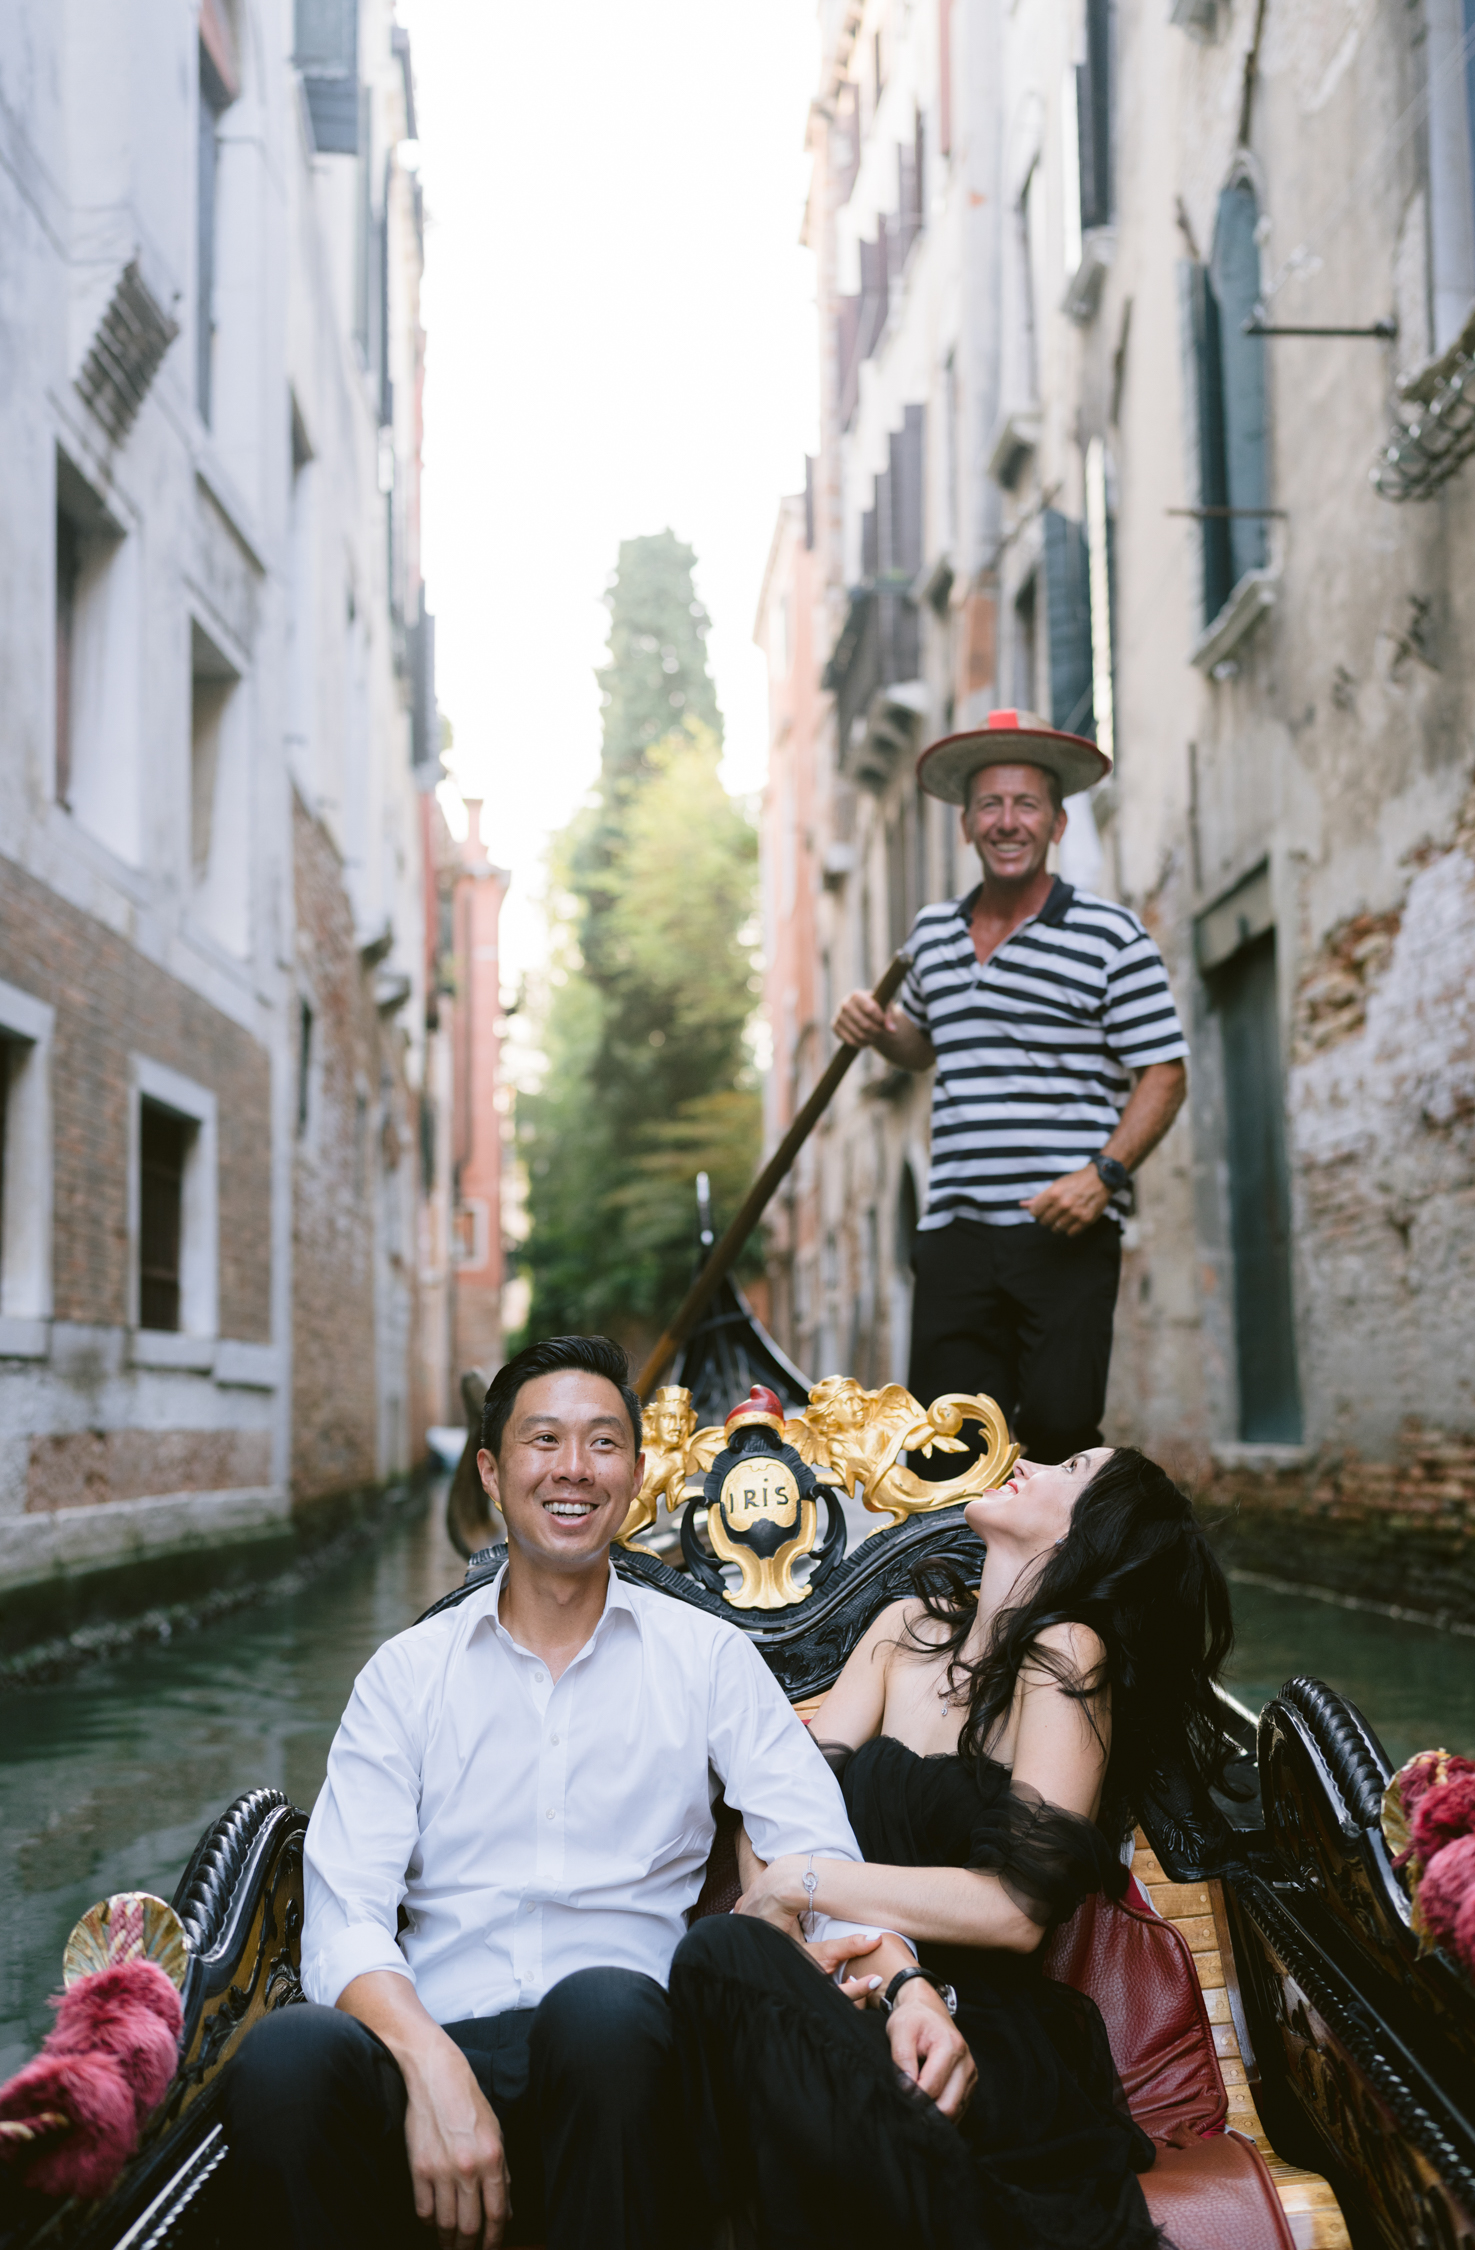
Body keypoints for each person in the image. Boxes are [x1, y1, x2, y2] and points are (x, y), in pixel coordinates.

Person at [221, 1335, 972, 2250]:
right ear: (492, 1474)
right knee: (283, 2058)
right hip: (434, 2031)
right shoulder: (405, 1674)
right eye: (543, 1441)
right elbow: (344, 1919)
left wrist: (907, 1986)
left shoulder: (707, 1658)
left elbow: (818, 1858)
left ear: (637, 1471)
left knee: (601, 2010)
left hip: (631, 2061)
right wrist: (431, 2066)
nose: (572, 1469)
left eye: (603, 1443)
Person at [671, 1443, 1235, 2250]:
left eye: (1070, 1471)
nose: (1032, 1464)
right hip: (852, 1989)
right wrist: (795, 1934)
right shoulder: (902, 1631)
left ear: (1096, 1531)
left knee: (716, 1955)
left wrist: (804, 1884)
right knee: (717, 1968)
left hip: (975, 2034)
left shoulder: (1068, 1655)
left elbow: (1015, 1910)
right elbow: (779, 1806)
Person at [833, 709, 1189, 1470]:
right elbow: (925, 1046)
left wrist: (1105, 1176)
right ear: (966, 826)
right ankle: (966, 1592)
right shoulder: (931, 935)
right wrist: (876, 1028)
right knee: (945, 1451)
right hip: (955, 1228)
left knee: (1060, 1431)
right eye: (990, 805)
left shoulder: (1109, 935)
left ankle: (1057, 1590)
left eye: (1026, 804)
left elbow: (1165, 1071)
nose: (1007, 821)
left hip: (1062, 1227)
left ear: (1057, 824)